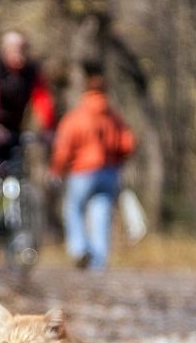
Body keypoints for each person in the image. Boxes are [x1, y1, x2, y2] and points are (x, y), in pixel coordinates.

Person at [50, 61, 136, 271]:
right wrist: (117, 159)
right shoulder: (114, 117)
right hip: (108, 172)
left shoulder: (76, 116)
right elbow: (128, 143)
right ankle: (98, 264)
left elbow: (64, 146)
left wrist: (57, 169)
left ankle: (80, 249)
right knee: (101, 215)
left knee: (73, 209)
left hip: (82, 172)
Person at [0, 30, 56, 222]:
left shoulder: (31, 72)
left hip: (12, 128)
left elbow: (42, 99)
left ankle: (13, 221)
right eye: (16, 49)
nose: (20, 54)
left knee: (17, 164)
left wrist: (47, 127)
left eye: (24, 49)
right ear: (5, 50)